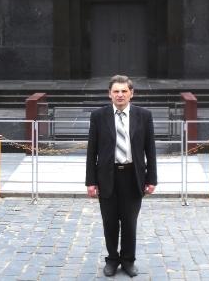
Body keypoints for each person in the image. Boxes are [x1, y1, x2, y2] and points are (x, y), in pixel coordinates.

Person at [86, 74, 157, 277]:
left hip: (133, 177)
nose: (120, 95)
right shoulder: (98, 116)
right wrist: (90, 181)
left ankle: (128, 260)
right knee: (109, 222)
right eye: (116, 91)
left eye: (124, 91)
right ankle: (112, 259)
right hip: (107, 177)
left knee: (129, 223)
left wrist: (152, 179)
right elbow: (92, 151)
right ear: (109, 94)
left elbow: (150, 150)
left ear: (131, 93)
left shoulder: (144, 115)